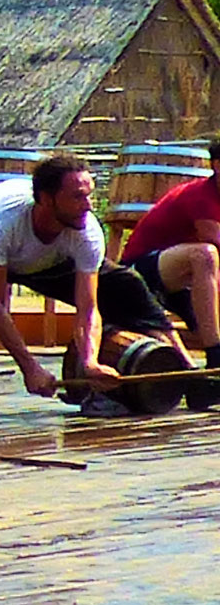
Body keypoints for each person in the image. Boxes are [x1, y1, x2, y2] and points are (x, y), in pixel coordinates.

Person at [0, 154, 165, 429]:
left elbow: (88, 307)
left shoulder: (86, 230)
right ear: (46, 198)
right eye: (78, 197)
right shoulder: (1, 220)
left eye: (89, 196)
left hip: (45, 260)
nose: (88, 206)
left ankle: (183, 367)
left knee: (125, 285)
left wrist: (89, 362)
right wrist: (30, 368)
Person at [116, 135, 220, 409]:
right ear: (218, 165)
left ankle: (202, 384)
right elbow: (214, 240)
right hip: (140, 271)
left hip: (183, 280)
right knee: (205, 253)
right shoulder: (201, 196)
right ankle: (215, 357)